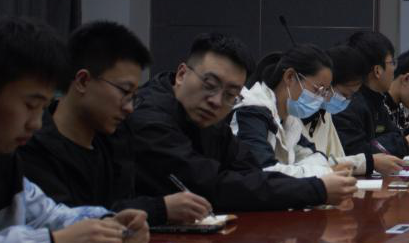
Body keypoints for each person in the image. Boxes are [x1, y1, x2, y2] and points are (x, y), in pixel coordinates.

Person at [0, 18, 148, 243]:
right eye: (30, 105)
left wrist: (109, 224)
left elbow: (45, 214)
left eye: (43, 108)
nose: (36, 124)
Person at [128, 33, 355, 211]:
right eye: (209, 85)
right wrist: (316, 189)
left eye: (231, 95)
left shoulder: (209, 119)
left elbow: (251, 170)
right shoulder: (150, 118)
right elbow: (213, 186)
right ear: (181, 75)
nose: (216, 101)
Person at [19, 20, 209, 227]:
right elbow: (67, 221)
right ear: (82, 81)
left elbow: (119, 204)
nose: (129, 108)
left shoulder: (115, 137)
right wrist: (159, 209)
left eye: (134, 96)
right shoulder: (31, 146)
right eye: (125, 92)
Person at [232, 45, 340, 178]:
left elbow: (317, 157)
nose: (320, 98)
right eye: (318, 89)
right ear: (290, 77)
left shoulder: (290, 120)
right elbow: (265, 171)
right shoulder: (251, 111)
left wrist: (301, 171)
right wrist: (321, 172)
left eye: (324, 93)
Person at [332, 31, 409, 171]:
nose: (394, 69)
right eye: (392, 62)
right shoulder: (349, 103)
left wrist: (382, 143)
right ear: (377, 70)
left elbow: (394, 135)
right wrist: (405, 143)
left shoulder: (377, 98)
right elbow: (357, 152)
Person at [301, 44, 372, 175]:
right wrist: (367, 162)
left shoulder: (325, 114)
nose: (347, 101)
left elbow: (337, 160)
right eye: (345, 94)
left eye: (351, 96)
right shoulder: (293, 113)